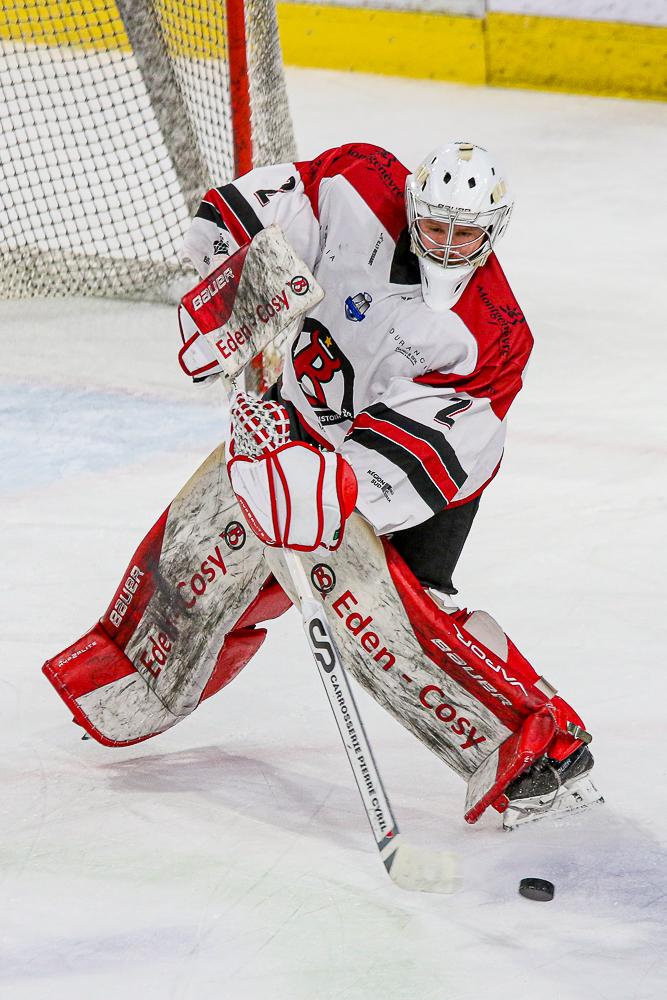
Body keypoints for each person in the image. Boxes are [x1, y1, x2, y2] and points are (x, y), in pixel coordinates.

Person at [43, 141, 601, 829]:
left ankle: (543, 749)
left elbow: (418, 455)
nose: (450, 245)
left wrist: (314, 486)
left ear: (494, 230)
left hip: (417, 483)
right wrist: (231, 289)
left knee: (382, 618)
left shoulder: (491, 334)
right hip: (296, 425)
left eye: (468, 233)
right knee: (201, 541)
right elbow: (250, 216)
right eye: (436, 226)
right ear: (412, 207)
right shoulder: (356, 183)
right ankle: (132, 679)